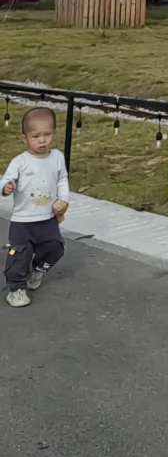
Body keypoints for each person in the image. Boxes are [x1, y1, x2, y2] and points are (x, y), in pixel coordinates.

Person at [2, 108, 70, 308]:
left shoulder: (57, 157)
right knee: (19, 254)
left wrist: (64, 200)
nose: (42, 141)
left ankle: (38, 269)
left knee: (55, 248)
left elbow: (62, 180)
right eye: (36, 136)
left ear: (54, 134)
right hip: (23, 221)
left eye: (47, 135)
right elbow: (6, 180)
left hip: (48, 218)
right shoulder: (20, 162)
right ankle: (16, 289)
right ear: (24, 138)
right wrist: (6, 187)